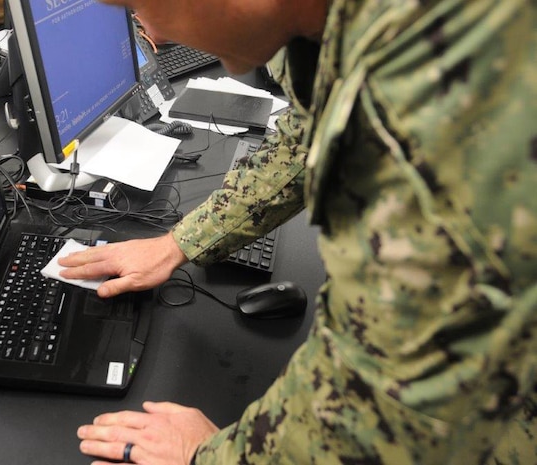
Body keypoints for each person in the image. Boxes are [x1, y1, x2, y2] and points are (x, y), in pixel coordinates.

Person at [60, 0, 537, 463]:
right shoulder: (325, 20)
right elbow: (307, 133)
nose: (149, 33)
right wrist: (179, 242)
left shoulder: (440, 87)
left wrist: (211, 458)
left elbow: (388, 413)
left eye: (136, 7)